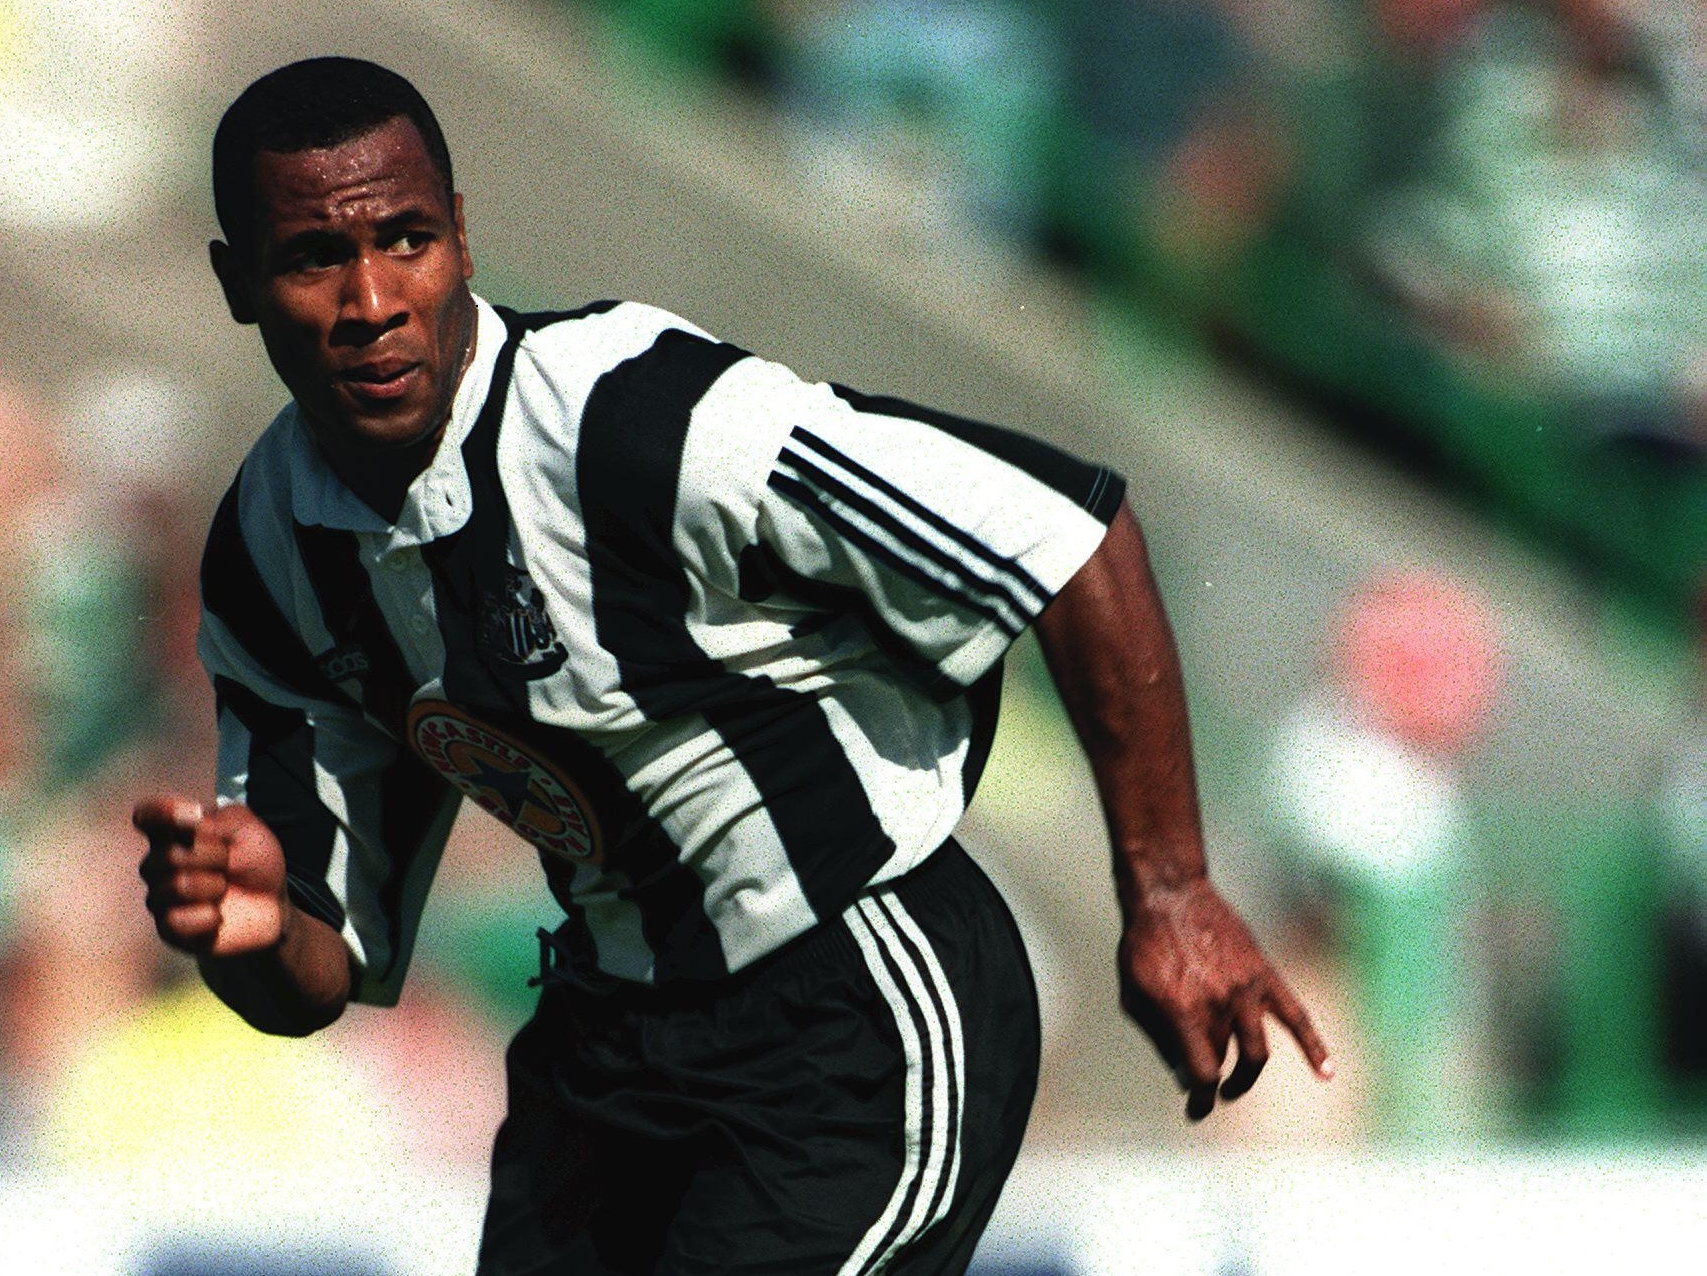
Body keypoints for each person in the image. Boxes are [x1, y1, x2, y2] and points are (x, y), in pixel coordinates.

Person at [133, 57, 1330, 1275]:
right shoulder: (268, 556)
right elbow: (316, 963)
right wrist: (249, 933)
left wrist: (1169, 892)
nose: (372, 297)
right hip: (610, 1031)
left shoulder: (639, 419)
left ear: (465, 244)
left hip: (854, 988)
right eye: (312, 259)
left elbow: (1066, 538)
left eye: (407, 239)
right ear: (238, 282)